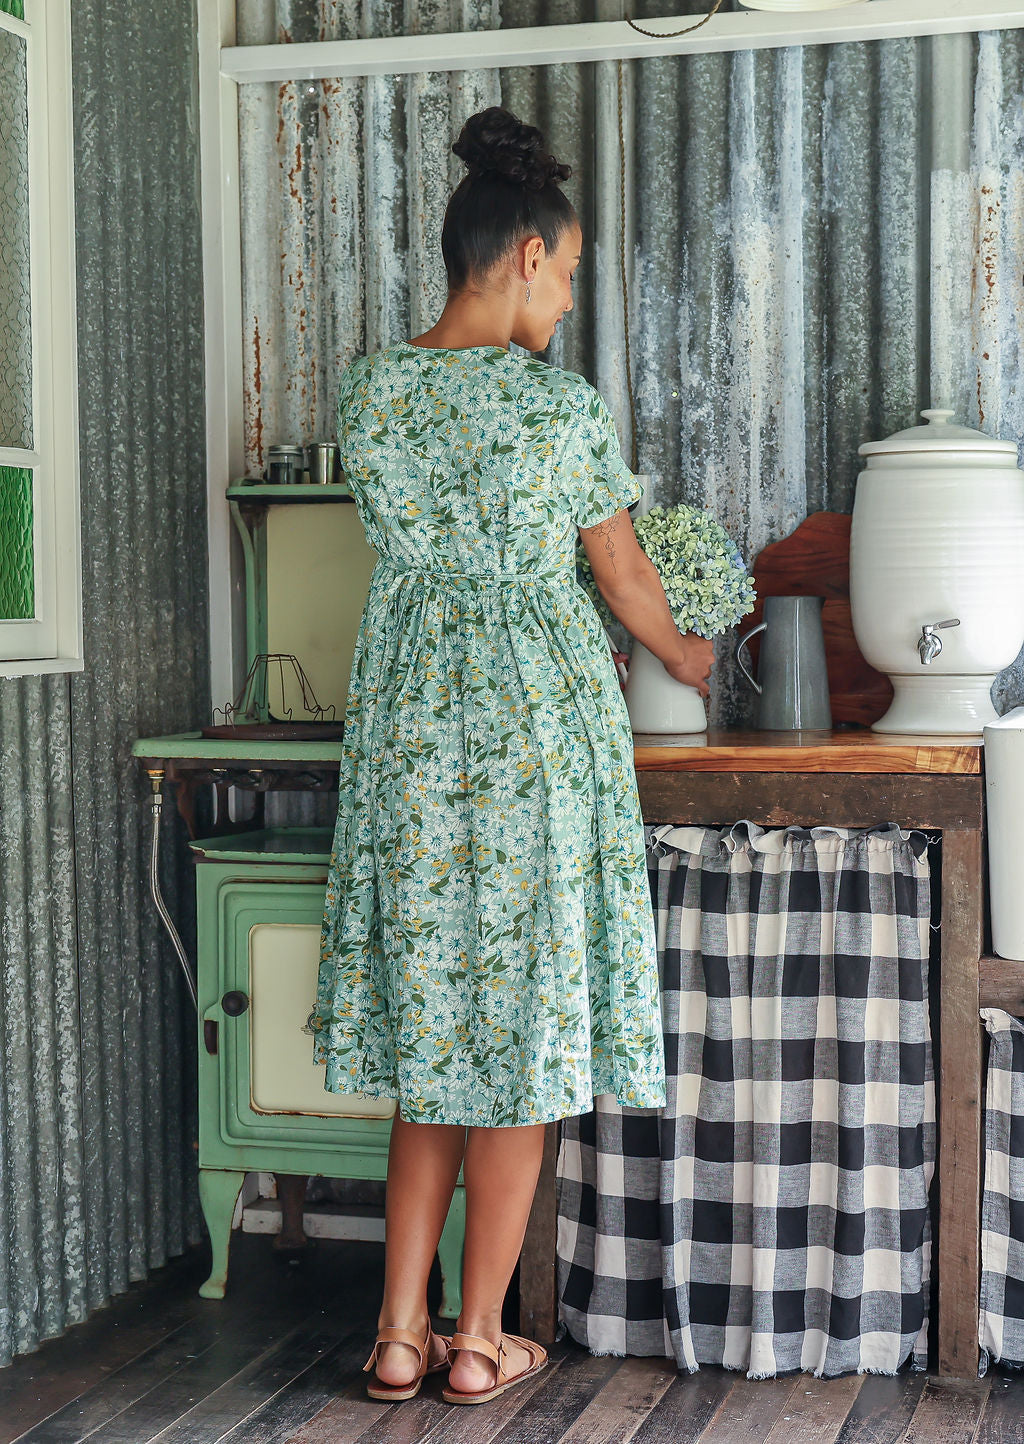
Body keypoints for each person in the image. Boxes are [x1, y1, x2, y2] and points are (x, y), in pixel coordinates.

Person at [311, 105, 714, 1406]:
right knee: (522, 1051)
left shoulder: (369, 391)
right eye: (574, 271)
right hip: (539, 742)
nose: (574, 298)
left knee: (435, 1042)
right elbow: (626, 572)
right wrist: (699, 655)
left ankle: (393, 1332)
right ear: (528, 253)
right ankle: (480, 1343)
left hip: (412, 739)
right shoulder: (559, 413)